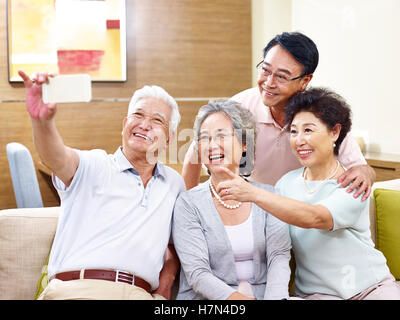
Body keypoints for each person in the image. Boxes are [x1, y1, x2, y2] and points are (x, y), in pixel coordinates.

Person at [213, 88, 400, 300]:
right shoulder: (286, 184)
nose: (299, 140)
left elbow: (316, 217)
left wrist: (252, 192)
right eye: (293, 131)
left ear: (334, 132)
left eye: (308, 130)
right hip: (318, 295)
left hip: (370, 289)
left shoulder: (353, 182)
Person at [18, 70, 186, 300]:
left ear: (169, 139)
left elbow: (179, 242)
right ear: (125, 124)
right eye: (138, 115)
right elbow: (55, 157)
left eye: (157, 120)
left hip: (141, 295)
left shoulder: (174, 184)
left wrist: (166, 283)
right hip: (79, 290)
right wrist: (42, 122)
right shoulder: (93, 164)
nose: (145, 125)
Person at [182, 32, 375, 201]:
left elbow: (361, 168)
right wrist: (188, 204)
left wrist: (364, 171)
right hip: (252, 207)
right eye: (265, 70)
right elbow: (195, 153)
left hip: (301, 213)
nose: (269, 82)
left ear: (305, 81)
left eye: (281, 76)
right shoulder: (240, 106)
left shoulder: (319, 113)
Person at [172, 99, 292, 300]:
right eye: (204, 138)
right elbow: (198, 274)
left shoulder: (269, 196)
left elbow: (278, 258)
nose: (212, 145)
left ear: (244, 144)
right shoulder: (188, 204)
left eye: (221, 136)